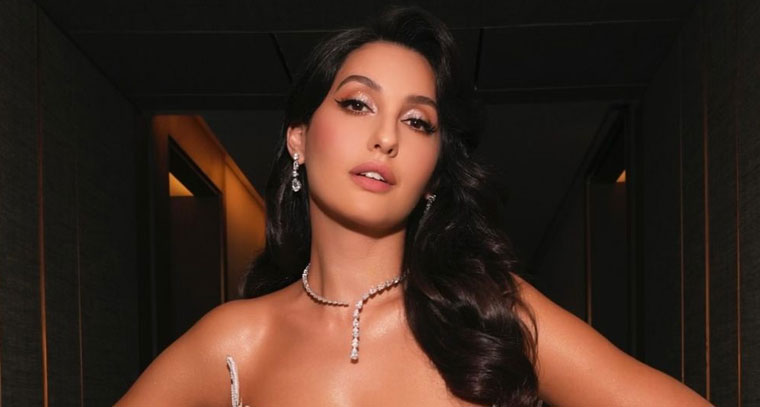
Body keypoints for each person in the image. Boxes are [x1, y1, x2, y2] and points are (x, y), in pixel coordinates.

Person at [116, 7, 712, 407]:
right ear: (298, 137)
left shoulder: (491, 314)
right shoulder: (235, 342)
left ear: (433, 175)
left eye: (417, 121)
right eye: (357, 104)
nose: (386, 138)